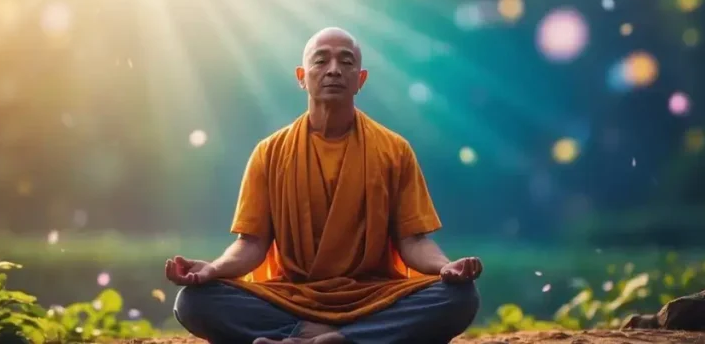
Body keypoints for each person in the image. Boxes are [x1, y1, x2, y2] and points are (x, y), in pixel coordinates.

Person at [166, 27, 482, 344]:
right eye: (321, 61)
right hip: (291, 297)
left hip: (372, 296)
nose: (333, 70)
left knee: (459, 297)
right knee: (195, 302)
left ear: (360, 79)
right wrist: (213, 270)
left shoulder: (393, 150)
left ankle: (312, 338)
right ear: (302, 76)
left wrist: (445, 268)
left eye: (346, 62)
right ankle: (336, 338)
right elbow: (251, 244)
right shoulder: (270, 152)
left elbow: (413, 241)